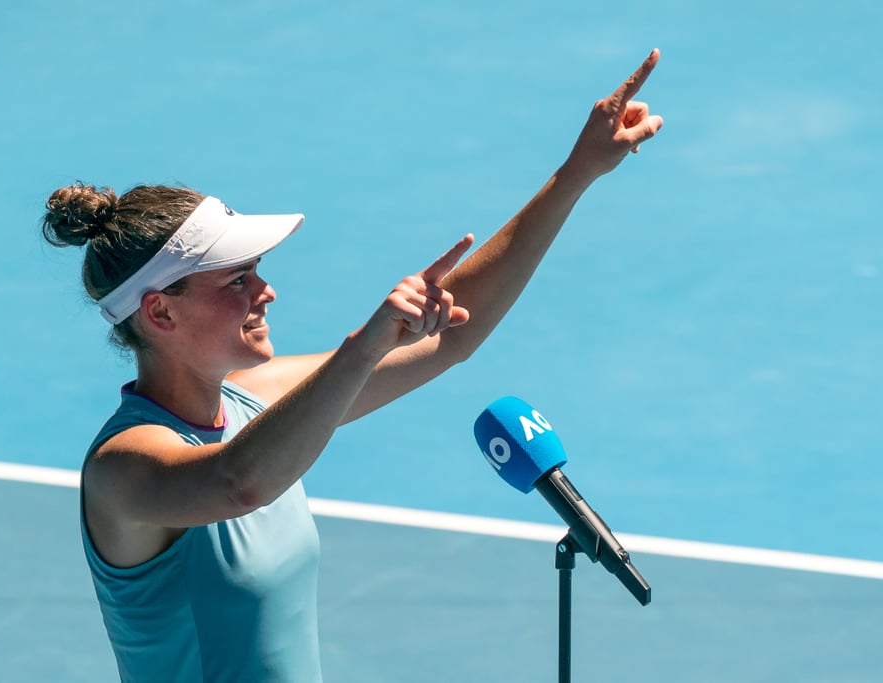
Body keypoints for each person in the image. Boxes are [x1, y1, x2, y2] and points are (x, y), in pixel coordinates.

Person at [41, 49, 663, 683]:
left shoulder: (256, 401)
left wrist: (576, 174)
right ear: (160, 314)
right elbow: (238, 483)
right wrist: (364, 346)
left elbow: (452, 334)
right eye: (236, 279)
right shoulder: (123, 468)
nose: (266, 291)